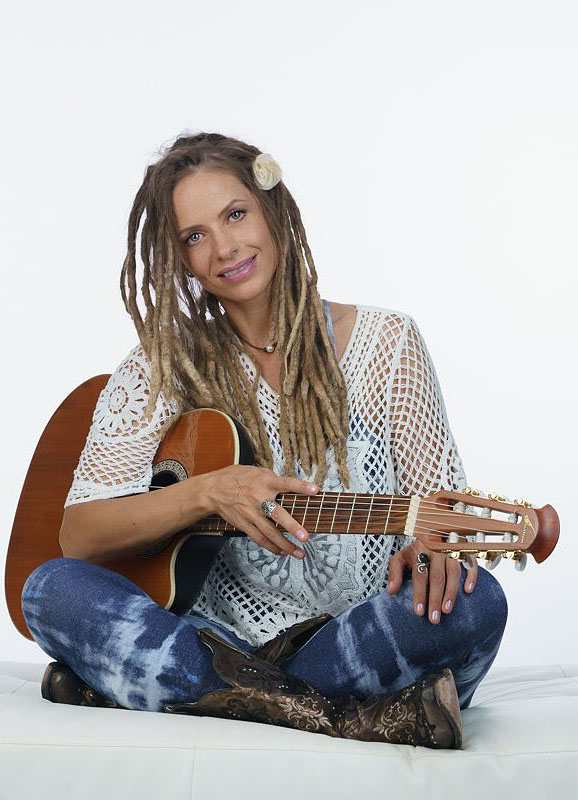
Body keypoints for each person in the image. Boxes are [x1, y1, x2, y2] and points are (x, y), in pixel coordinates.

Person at [21, 131, 508, 749]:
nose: (224, 248)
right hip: (209, 641)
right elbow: (80, 535)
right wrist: (206, 493)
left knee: (475, 604)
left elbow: (440, 517)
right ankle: (337, 716)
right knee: (50, 590)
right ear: (178, 259)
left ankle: (189, 695)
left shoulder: (389, 343)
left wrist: (434, 552)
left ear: (273, 209)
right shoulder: (164, 365)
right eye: (194, 237)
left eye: (235, 215)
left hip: (347, 637)